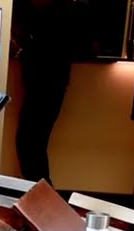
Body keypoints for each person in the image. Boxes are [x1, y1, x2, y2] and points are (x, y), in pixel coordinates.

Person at [12, 0, 81, 183]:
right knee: (33, 143)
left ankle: (41, 194)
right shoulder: (61, 11)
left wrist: (21, 50)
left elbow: (43, 47)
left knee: (29, 142)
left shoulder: (54, 13)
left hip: (45, 84)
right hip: (51, 84)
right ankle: (40, 194)